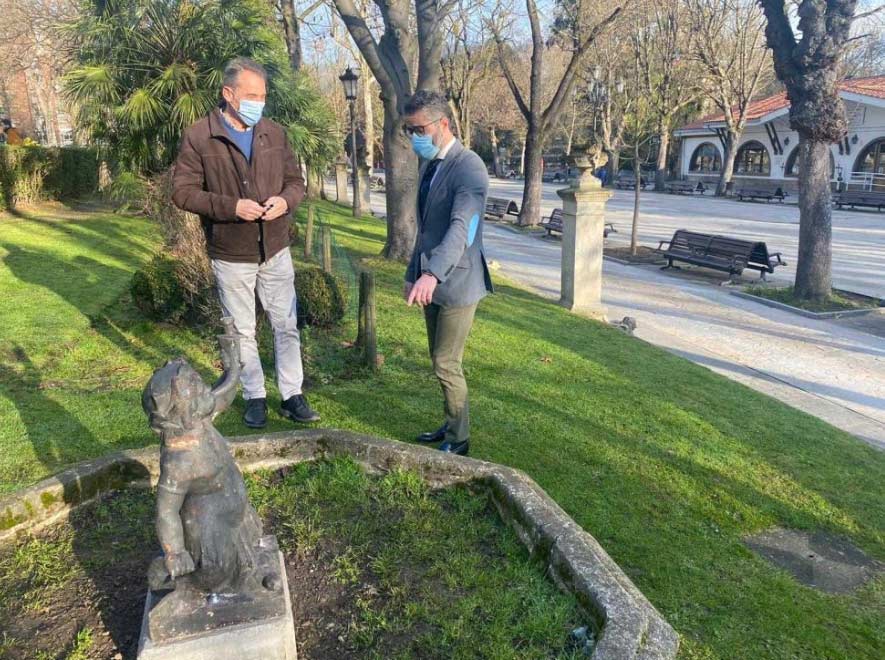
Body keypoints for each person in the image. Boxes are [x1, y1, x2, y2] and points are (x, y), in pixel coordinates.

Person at [172, 57, 319, 430]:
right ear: (228, 93)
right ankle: (255, 396)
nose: (259, 103)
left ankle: (292, 395)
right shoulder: (200, 136)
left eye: (263, 96)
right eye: (252, 96)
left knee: (286, 324)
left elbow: (296, 182)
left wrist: (285, 201)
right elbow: (183, 192)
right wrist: (231, 207)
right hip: (231, 251)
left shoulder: (273, 133)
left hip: (275, 247)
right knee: (242, 330)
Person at [403, 90, 493, 456]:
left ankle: (460, 438)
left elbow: (462, 229)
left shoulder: (469, 167)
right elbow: (425, 230)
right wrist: (414, 272)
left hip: (458, 283)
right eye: (409, 130)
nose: (414, 137)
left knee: (446, 362)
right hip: (432, 281)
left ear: (443, 124)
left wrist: (432, 275)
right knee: (438, 359)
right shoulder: (431, 165)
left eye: (419, 129)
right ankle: (450, 422)